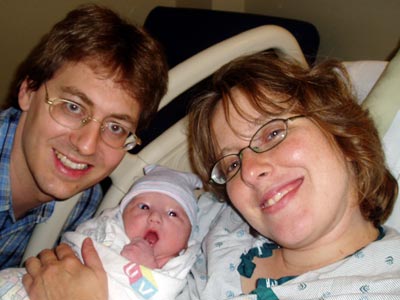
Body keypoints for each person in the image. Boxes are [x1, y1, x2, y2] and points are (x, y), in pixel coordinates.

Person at [22, 51, 400, 299]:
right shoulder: (217, 220)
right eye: (231, 163)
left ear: (342, 132)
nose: (250, 171)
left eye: (272, 133)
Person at [0, 4, 168, 269]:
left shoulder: (86, 210)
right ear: (28, 92)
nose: (87, 145)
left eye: (115, 127)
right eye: (73, 107)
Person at [0, 164, 203, 300]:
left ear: (187, 239)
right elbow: (76, 245)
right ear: (122, 214)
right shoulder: (108, 229)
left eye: (172, 213)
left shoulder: (176, 271)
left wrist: (142, 270)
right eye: (143, 207)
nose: (155, 217)